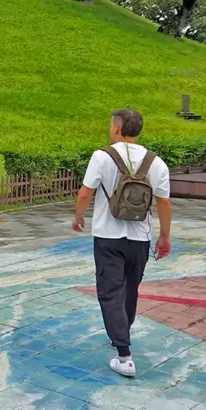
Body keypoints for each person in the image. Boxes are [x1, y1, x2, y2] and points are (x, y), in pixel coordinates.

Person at [72, 108, 171, 378]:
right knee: (130, 289)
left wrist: (78, 217)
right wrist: (164, 235)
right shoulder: (156, 162)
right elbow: (163, 202)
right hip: (140, 237)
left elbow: (85, 193)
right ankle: (121, 332)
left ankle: (124, 355)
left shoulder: (102, 156)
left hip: (108, 235)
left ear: (116, 127)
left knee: (110, 290)